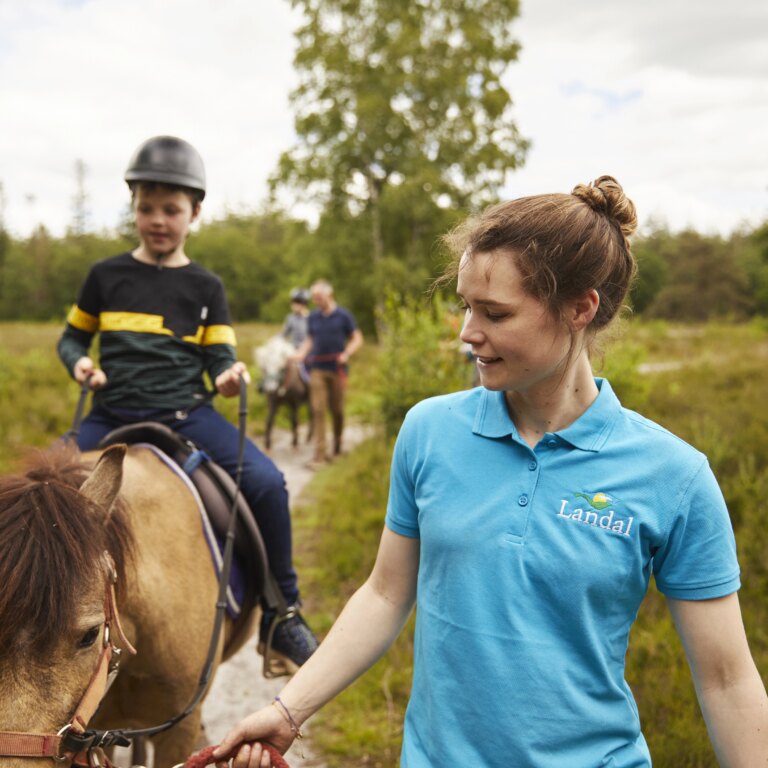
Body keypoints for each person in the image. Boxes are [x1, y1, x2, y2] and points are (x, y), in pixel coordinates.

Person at [213, 175, 768, 767]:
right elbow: (384, 592)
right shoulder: (428, 431)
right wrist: (290, 710)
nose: (467, 333)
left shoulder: (673, 477)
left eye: (495, 313)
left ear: (581, 308)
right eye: (465, 306)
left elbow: (727, 681)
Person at [57, 135, 318, 674]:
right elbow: (72, 339)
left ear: (194, 212)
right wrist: (80, 364)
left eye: (170, 209)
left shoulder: (206, 285)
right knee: (37, 493)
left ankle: (280, 614)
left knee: (268, 483)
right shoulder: (104, 276)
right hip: (111, 411)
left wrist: (226, 376)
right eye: (146, 207)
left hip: (187, 414)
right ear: (133, 208)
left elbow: (220, 356)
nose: (157, 219)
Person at [294, 280, 363, 468]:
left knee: (337, 411)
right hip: (317, 369)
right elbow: (310, 340)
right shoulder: (313, 318)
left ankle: (338, 447)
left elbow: (357, 338)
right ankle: (319, 456)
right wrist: (301, 353)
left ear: (329, 295)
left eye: (319, 297)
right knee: (318, 410)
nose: (316, 301)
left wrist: (346, 354)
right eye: (314, 298)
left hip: (337, 370)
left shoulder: (343, 316)